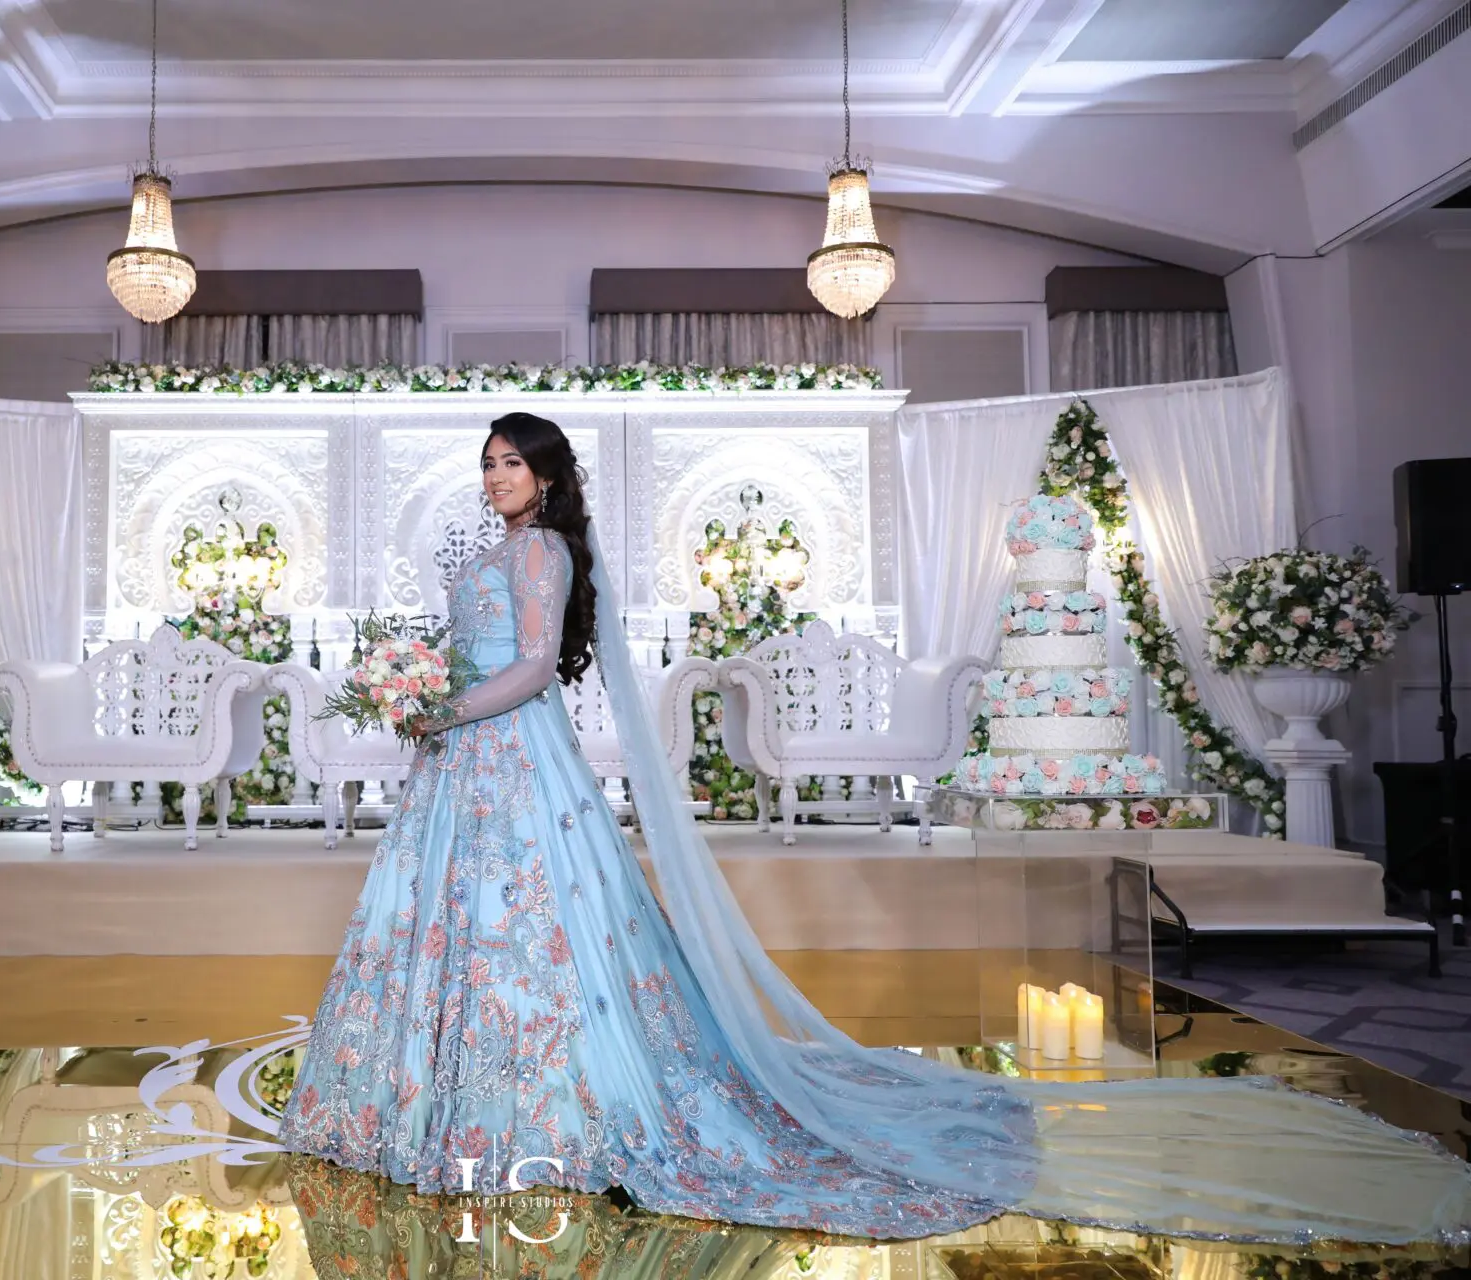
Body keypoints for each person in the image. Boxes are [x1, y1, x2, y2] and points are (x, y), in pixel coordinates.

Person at [279, 412, 1471, 1244]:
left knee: (539, 938)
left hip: (511, 756)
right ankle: (432, 1095)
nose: (493, 478)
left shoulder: (544, 550)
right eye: (485, 463)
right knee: (443, 928)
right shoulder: (486, 549)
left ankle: (548, 1103)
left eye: (508, 463)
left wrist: (445, 700)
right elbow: (474, 652)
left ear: (545, 476)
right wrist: (423, 696)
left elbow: (537, 665)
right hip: (458, 769)